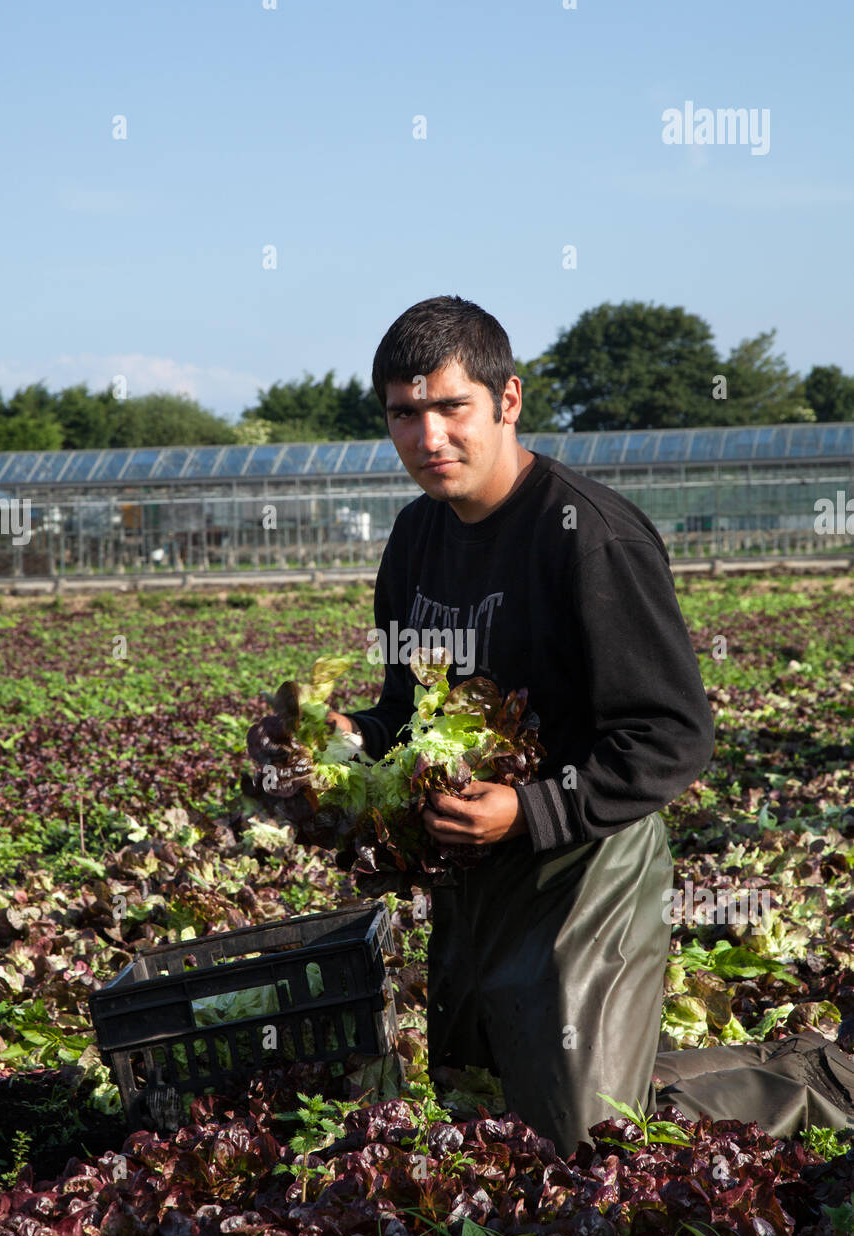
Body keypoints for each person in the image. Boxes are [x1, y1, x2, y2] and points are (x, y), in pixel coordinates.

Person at [324, 294, 853, 1156]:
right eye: (404, 415)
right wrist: (340, 739)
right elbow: (404, 713)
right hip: (477, 864)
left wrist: (533, 811)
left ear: (508, 400)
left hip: (585, 857)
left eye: (451, 407)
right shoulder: (416, 539)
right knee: (484, 1108)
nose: (428, 438)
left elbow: (674, 735)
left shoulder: (587, 535)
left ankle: (820, 1077)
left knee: (587, 1138)